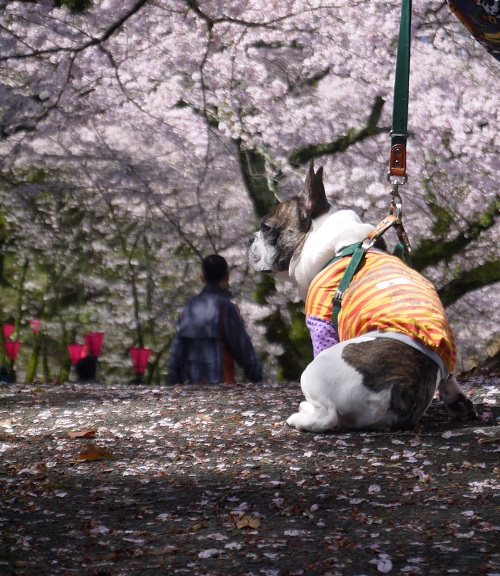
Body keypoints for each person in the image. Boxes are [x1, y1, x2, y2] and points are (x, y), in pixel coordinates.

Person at [167, 255, 263, 385]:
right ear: (227, 277)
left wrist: (172, 386)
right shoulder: (226, 308)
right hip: (221, 387)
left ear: (202, 277)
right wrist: (257, 375)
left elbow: (176, 355)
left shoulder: (187, 308)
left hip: (190, 389)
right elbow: (244, 351)